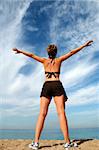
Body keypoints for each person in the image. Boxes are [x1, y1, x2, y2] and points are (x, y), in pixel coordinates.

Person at [12, 40, 93, 149]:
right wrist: (84, 45)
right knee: (61, 113)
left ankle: (36, 143)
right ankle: (67, 142)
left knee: (42, 114)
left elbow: (31, 55)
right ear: (56, 52)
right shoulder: (59, 60)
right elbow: (72, 52)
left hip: (47, 86)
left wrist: (20, 51)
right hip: (57, 85)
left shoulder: (44, 61)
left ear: (48, 52)